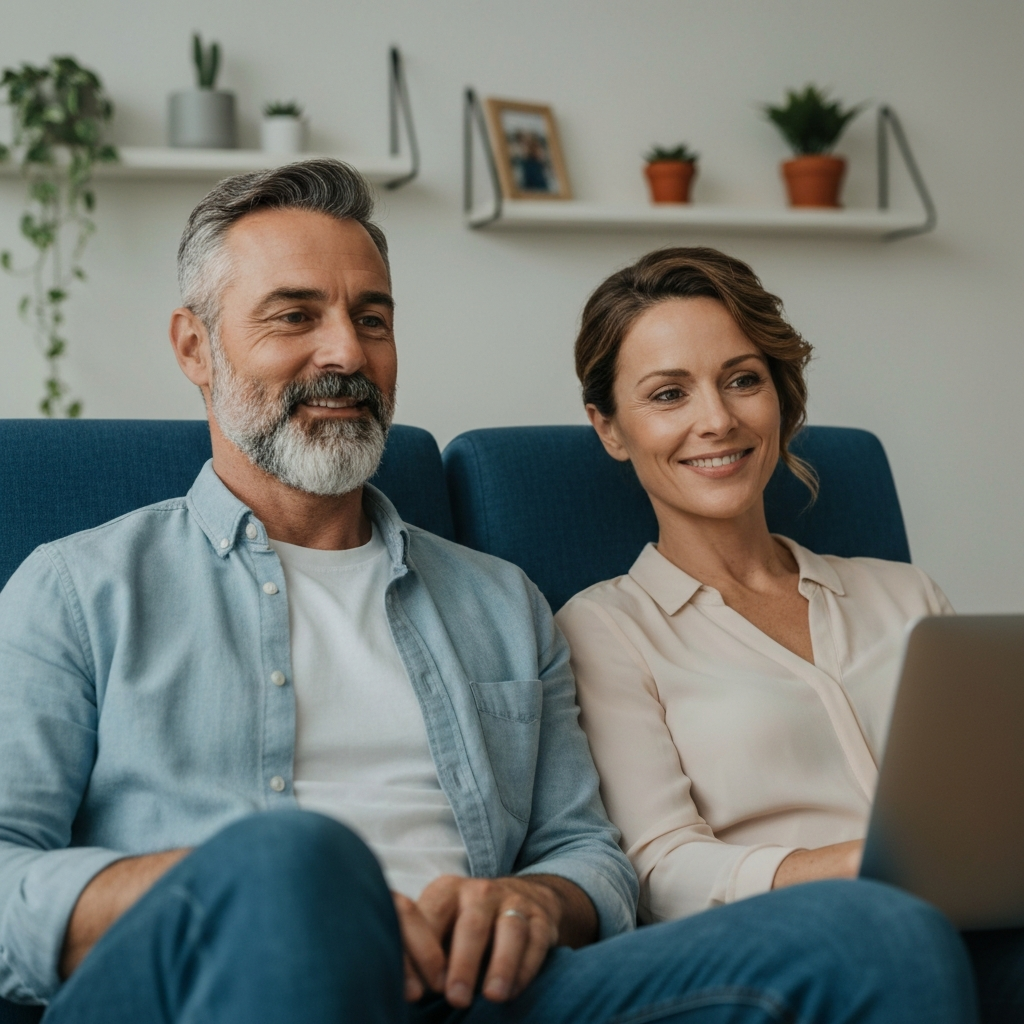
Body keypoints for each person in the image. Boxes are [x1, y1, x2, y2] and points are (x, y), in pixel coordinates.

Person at [0, 166, 977, 1024]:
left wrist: (535, 903)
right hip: (208, 980)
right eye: (295, 315)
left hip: (489, 994)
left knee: (876, 934)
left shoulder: (500, 599)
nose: (345, 352)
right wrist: (207, 889)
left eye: (371, 318)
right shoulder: (80, 585)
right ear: (195, 348)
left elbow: (589, 851)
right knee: (292, 861)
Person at [555, 245, 1024, 1023]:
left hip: (981, 925)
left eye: (743, 380)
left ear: (780, 397)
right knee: (895, 938)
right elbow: (661, 868)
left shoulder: (906, 594)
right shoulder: (603, 628)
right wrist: (851, 869)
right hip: (807, 949)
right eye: (669, 394)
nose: (718, 420)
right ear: (609, 428)